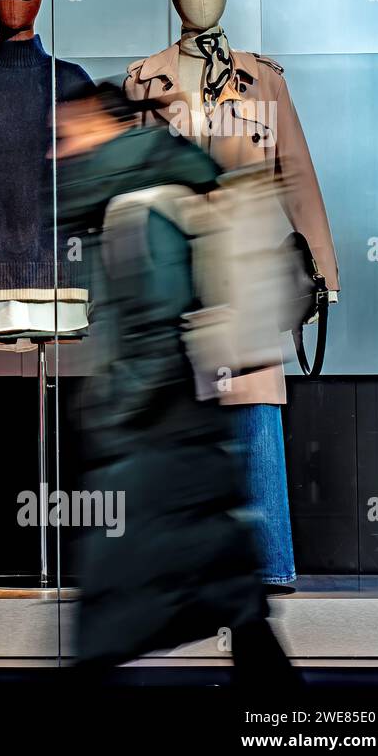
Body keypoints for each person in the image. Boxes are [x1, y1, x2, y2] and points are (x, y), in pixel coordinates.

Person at [54, 81, 298, 686]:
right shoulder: (153, 183)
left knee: (119, 594)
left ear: (99, 124)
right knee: (224, 580)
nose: (60, 152)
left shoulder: (137, 200)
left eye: (67, 135)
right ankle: (282, 699)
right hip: (183, 425)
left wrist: (112, 404)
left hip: (156, 430)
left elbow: (157, 318)